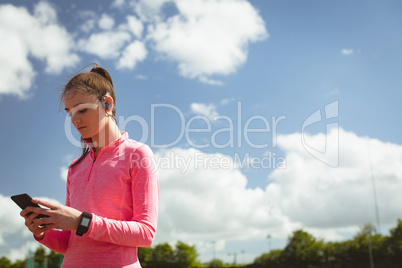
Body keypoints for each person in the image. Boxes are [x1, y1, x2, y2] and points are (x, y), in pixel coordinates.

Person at [20, 64, 159, 267]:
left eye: (82, 110)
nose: (75, 120)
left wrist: (81, 221)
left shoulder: (137, 154)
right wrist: (43, 232)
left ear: (108, 104)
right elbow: (70, 243)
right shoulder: (75, 168)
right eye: (69, 113)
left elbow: (145, 233)